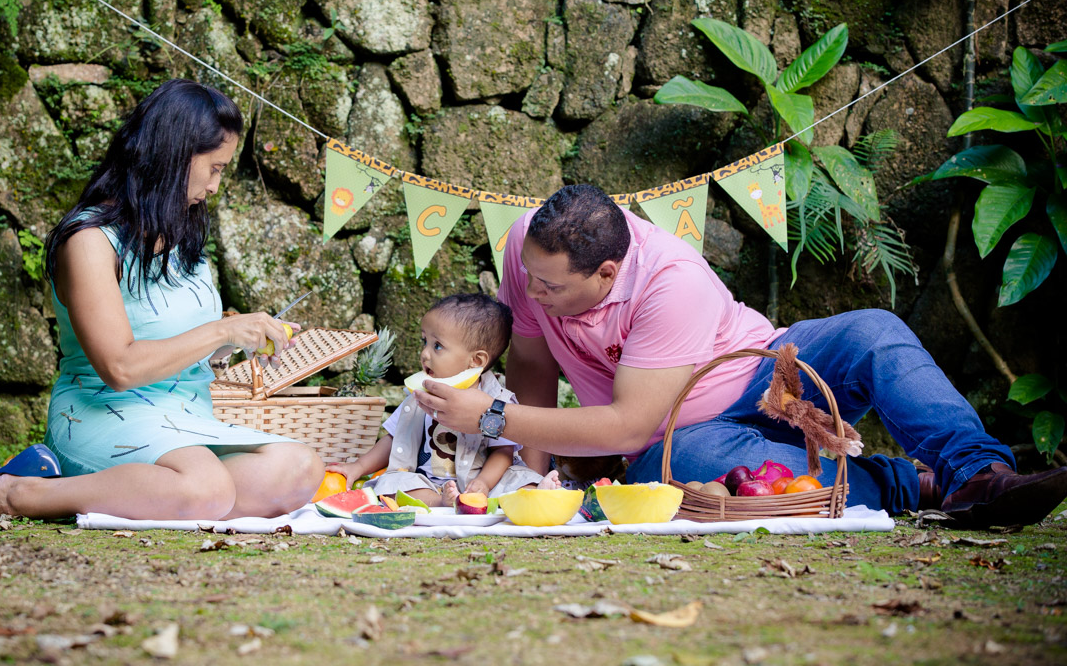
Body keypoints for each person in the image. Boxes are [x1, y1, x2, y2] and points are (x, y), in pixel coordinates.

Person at [414, 184, 1067, 527]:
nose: (530, 290)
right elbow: (530, 366)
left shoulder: (673, 280)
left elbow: (628, 423)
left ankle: (977, 472)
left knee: (871, 329)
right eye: (529, 276)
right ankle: (915, 485)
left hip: (766, 368)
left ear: (608, 272)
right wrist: (528, 482)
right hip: (688, 438)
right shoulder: (531, 248)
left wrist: (490, 417)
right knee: (671, 476)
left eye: (551, 286)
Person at [0, 80, 324, 521]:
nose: (216, 185)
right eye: (214, 168)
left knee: (299, 467)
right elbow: (120, 367)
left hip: (185, 414)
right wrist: (224, 329)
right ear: (176, 155)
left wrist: (232, 344)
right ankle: (17, 493)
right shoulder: (89, 241)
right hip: (104, 411)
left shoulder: (184, 234)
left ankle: (164, 495)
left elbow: (178, 342)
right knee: (206, 487)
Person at [329, 294, 559, 507]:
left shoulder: (497, 400)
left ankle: (538, 491)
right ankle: (441, 501)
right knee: (391, 486)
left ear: (475, 360)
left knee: (519, 479)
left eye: (437, 346)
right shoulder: (418, 396)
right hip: (427, 482)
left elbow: (503, 453)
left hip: (482, 480)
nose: (425, 354)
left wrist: (485, 483)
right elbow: (392, 438)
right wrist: (357, 467)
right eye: (424, 342)